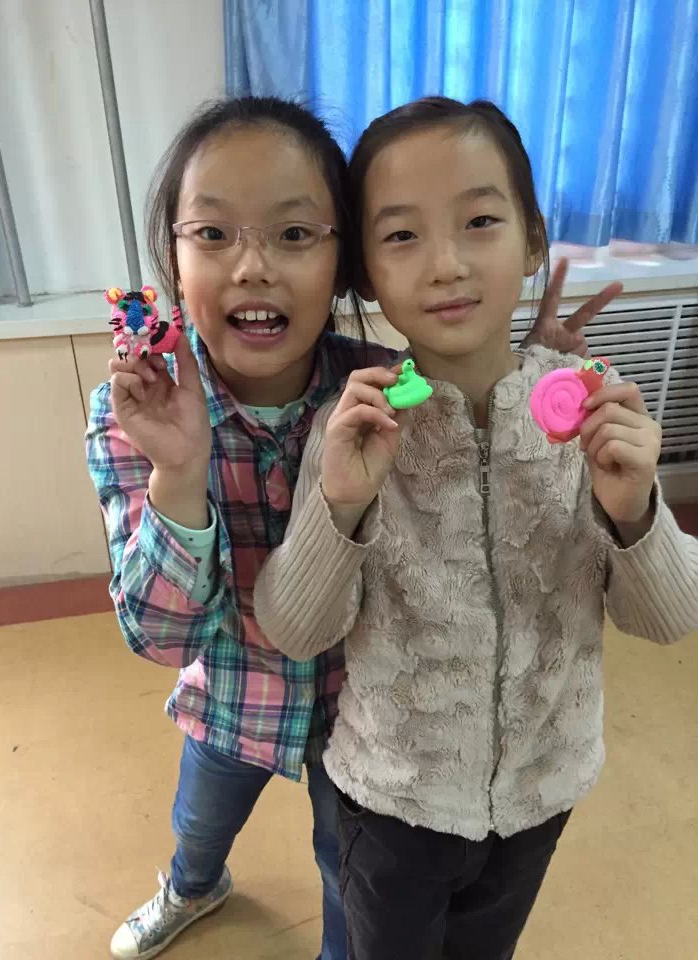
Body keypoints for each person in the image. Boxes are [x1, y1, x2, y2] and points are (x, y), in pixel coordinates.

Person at [254, 97, 698, 960]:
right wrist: (339, 504)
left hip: (541, 794)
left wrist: (635, 510)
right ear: (364, 274)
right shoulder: (355, 425)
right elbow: (295, 629)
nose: (446, 264)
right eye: (402, 235)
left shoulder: (588, 408)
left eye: (480, 221)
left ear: (533, 241)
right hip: (392, 803)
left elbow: (668, 617)